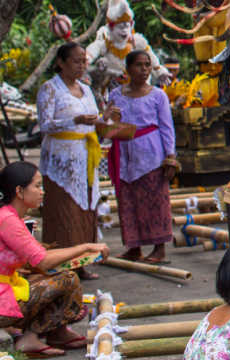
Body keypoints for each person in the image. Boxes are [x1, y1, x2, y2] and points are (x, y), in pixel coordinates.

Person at [0, 163, 104, 357]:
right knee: (67, 279)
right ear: (19, 191)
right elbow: (43, 261)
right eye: (37, 186)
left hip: (7, 286)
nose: (42, 192)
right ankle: (31, 337)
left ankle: (53, 333)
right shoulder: (8, 220)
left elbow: (35, 258)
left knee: (57, 276)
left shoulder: (11, 216)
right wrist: (86, 247)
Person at [36, 42, 111, 279]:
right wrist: (75, 119)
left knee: (85, 210)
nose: (81, 66)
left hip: (85, 156)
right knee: (63, 209)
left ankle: (82, 263)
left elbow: (94, 120)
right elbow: (45, 124)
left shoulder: (86, 89)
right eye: (76, 61)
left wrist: (105, 118)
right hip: (61, 159)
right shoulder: (50, 89)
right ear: (61, 62)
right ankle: (60, 264)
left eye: (84, 61)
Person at [107, 50, 177, 265]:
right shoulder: (116, 95)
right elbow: (109, 125)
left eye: (147, 65)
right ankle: (133, 247)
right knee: (128, 201)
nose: (145, 69)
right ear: (127, 69)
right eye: (139, 65)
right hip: (125, 154)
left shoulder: (158, 95)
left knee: (155, 201)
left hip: (151, 155)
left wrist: (171, 156)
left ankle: (159, 249)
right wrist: (109, 118)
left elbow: (167, 128)